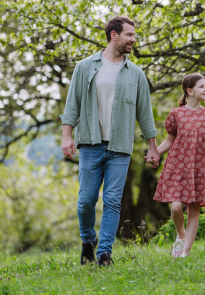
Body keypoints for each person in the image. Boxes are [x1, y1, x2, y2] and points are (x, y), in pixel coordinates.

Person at [60, 16, 160, 267]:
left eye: (134, 35)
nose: (133, 40)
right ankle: (88, 241)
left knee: (113, 200)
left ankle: (105, 253)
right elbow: (72, 104)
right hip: (91, 144)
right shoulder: (84, 67)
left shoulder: (136, 74)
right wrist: (67, 135)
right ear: (114, 35)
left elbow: (145, 113)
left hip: (120, 147)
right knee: (85, 201)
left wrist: (152, 146)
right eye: (129, 35)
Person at [152, 73, 205, 257]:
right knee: (176, 207)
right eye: (201, 86)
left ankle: (185, 254)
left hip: (199, 168)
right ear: (189, 91)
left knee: (193, 211)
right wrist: (154, 153)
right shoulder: (176, 113)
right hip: (177, 165)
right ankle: (181, 233)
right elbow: (168, 141)